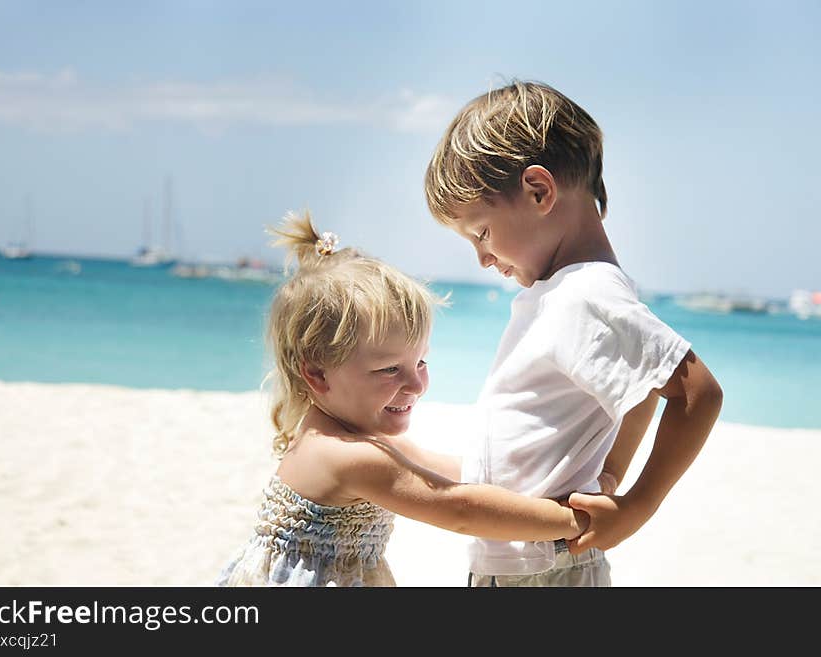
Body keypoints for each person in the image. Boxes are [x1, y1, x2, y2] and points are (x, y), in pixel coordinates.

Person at [423, 79, 723, 587]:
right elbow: (639, 384)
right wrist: (609, 474)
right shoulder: (565, 292)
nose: (482, 258)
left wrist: (635, 506)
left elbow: (698, 392)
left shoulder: (583, 295)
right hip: (524, 564)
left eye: (482, 233)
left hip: (544, 571)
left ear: (539, 191)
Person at [215, 210, 589, 587]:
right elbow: (459, 508)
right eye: (390, 369)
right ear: (316, 373)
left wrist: (554, 481)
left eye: (421, 361)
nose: (417, 384)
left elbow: (469, 474)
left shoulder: (361, 440)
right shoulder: (346, 456)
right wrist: (573, 521)